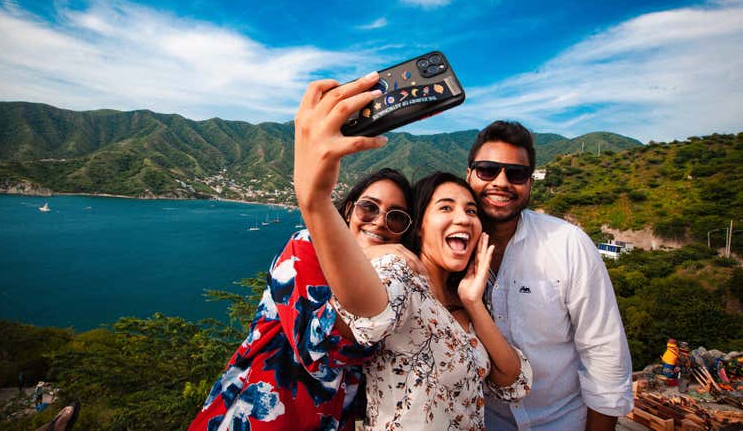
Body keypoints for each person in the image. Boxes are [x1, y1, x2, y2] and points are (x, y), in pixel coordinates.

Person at [293, 73, 532, 430]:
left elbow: (514, 382)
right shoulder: (399, 274)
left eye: (470, 210)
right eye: (446, 207)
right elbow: (365, 314)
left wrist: (472, 303)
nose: (463, 219)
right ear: (419, 226)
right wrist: (316, 204)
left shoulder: (465, 297)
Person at [187, 167, 414, 431]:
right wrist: (373, 258)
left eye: (396, 217)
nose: (380, 222)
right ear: (350, 209)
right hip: (260, 417)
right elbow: (317, 352)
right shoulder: (307, 246)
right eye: (369, 207)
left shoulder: (387, 281)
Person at [465, 120, 633, 431]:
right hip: (482, 421)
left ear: (529, 183)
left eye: (516, 174)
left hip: (561, 420)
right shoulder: (447, 249)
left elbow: (603, 351)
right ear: (469, 175)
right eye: (488, 169)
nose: (501, 182)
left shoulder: (568, 244)